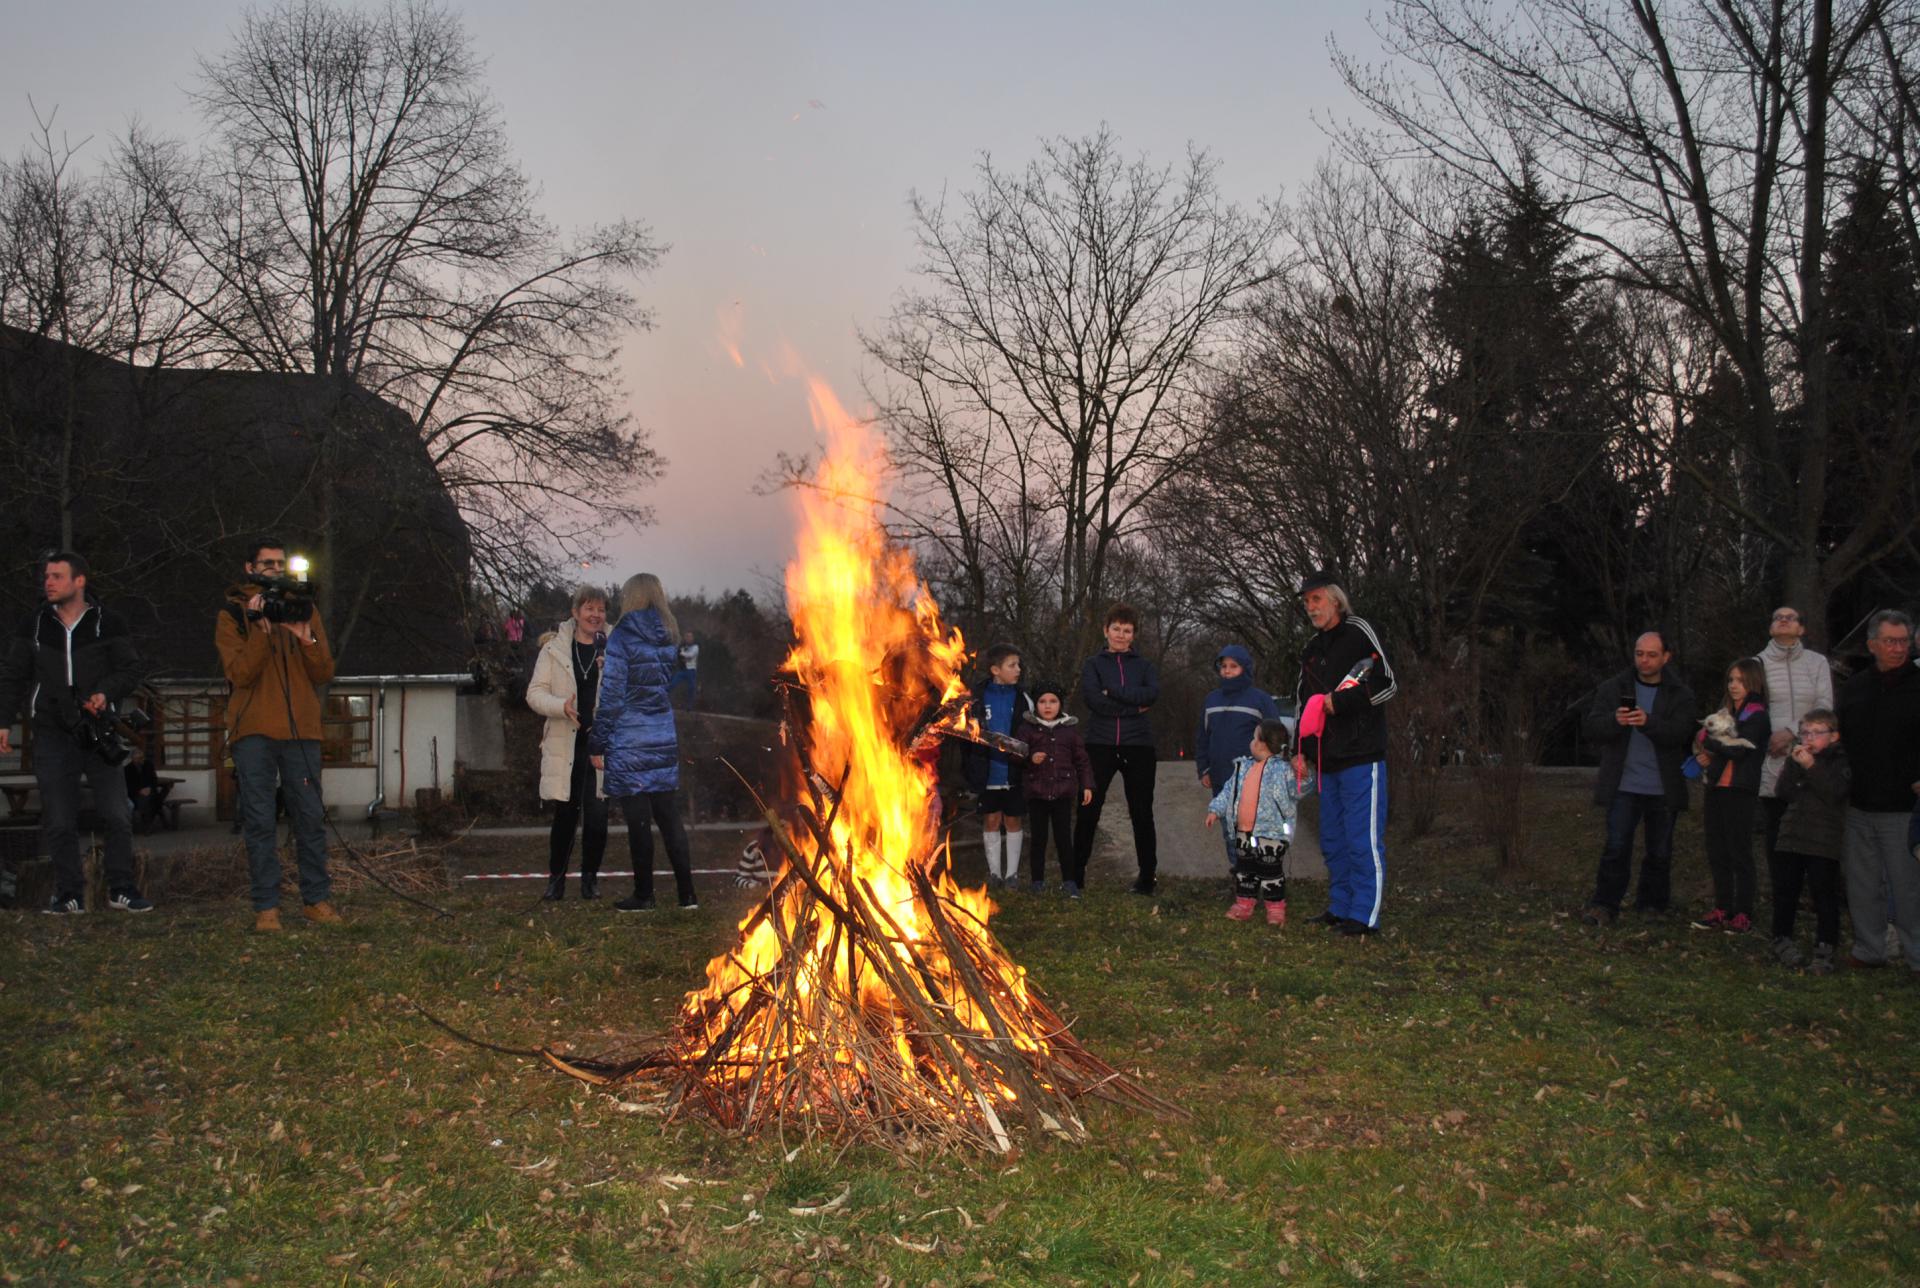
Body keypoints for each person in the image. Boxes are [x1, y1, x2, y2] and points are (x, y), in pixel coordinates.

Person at [0, 551, 151, 914]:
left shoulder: (107, 622)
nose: (48, 582)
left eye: (57, 576)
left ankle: (121, 888)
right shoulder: (34, 624)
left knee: (117, 814)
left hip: (98, 731)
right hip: (52, 732)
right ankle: (69, 894)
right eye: (46, 576)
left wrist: (104, 693)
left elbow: (130, 669)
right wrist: (3, 721)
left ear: (79, 580)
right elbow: (13, 676)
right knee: (59, 818)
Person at [218, 538, 338, 931]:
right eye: (267, 563)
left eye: (280, 563)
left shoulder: (302, 606)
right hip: (253, 730)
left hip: (301, 730)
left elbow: (323, 672)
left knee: (310, 818)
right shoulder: (232, 613)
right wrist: (260, 631)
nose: (275, 569)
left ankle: (316, 900)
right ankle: (266, 907)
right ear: (250, 568)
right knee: (259, 820)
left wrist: (305, 637)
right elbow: (240, 674)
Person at [1291, 571, 1397, 936]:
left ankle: (1364, 916)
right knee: (1333, 840)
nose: (1311, 607)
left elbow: (1387, 684)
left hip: (1361, 755)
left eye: (1316, 599)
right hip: (1325, 760)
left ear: (1335, 600)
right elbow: (1302, 704)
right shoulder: (1311, 649)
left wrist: (1341, 702)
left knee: (1361, 840)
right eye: (1307, 601)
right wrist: (1299, 750)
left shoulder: (1359, 632)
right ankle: (1340, 907)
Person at [592, 573, 697, 911]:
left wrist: (597, 741)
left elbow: (612, 696)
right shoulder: (669, 635)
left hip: (630, 736)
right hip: (661, 731)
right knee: (669, 816)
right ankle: (687, 895)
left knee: (638, 819)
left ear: (631, 597)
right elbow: (658, 682)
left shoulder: (622, 635)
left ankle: (644, 894)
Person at [1580, 631, 1696, 926]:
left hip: (1663, 787)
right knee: (1616, 848)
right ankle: (1605, 905)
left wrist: (1648, 722)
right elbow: (1591, 728)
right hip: (1623, 785)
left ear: (1666, 657)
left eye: (1652, 655)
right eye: (1639, 653)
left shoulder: (1680, 694)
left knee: (1659, 852)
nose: (1644, 660)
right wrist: (1614, 721)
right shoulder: (1613, 687)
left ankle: (1652, 905)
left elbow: (1681, 734)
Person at [1836, 610, 1920, 972]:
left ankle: (1917, 954)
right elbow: (1841, 740)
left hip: (1905, 806)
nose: (1898, 648)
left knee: (1908, 887)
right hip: (1859, 803)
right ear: (1872, 645)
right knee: (1862, 883)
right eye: (1890, 641)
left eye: (1903, 641)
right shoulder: (1855, 687)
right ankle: (1870, 949)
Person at [526, 586, 610, 900]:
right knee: (565, 816)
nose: (595, 615)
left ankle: (590, 880)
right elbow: (534, 694)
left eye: (600, 609)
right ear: (575, 613)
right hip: (565, 745)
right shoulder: (553, 650)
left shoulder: (614, 648)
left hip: (600, 746)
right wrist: (560, 706)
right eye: (589, 609)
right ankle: (556, 880)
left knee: (598, 818)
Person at [1075, 605, 1162, 895]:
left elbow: (1151, 694)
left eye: (1127, 630)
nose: (1121, 635)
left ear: (1134, 634)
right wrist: (1133, 707)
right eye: (1116, 629)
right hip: (1099, 744)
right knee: (1088, 809)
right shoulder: (1092, 664)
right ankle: (1075, 877)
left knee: (1141, 812)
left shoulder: (1145, 666)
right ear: (1106, 630)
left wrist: (1112, 690)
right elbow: (1094, 701)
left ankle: (1147, 879)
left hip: (1139, 746)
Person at [1756, 606, 1833, 901]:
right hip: (1772, 757)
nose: (1784, 620)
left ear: (1802, 629)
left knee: (1812, 825)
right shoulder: (1757, 664)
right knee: (1777, 827)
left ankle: (1816, 894)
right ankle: (1783, 895)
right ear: (1770, 627)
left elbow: (1824, 705)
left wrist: (1791, 731)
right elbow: (1750, 708)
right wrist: (1768, 738)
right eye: (1778, 617)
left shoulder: (1817, 662)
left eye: (1791, 617)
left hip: (1812, 755)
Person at [1690, 659, 1771, 933]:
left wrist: (1709, 740)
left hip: (1740, 790)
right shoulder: (1728, 712)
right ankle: (1722, 907)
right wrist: (1709, 751)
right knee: (1717, 849)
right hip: (1717, 787)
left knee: (1740, 852)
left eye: (1741, 680)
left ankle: (1743, 912)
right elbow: (1714, 742)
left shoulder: (1757, 716)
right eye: (1731, 680)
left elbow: (1737, 750)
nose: (1734, 685)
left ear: (1754, 682)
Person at [1768, 708, 1848, 973]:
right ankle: (1781, 938)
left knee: (1823, 894)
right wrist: (1796, 768)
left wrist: (1812, 767)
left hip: (1823, 839)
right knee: (1785, 890)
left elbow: (1835, 793)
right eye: (1805, 733)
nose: (1810, 738)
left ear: (1833, 736)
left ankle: (1826, 946)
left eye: (1817, 733)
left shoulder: (1839, 761)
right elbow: (1783, 792)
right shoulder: (1796, 759)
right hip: (1791, 835)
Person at [1195, 644, 1284, 874]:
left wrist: (1273, 770)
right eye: (1223, 666)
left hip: (1253, 779)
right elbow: (1203, 737)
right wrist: (1204, 769)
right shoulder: (1211, 700)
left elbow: (1275, 736)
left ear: (1245, 668)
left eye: (1233, 666)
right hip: (1221, 776)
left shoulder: (1260, 700)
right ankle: (1240, 873)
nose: (1227, 670)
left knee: (1254, 829)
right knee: (1230, 830)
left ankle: (1263, 872)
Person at [1206, 718, 1303, 926]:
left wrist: (1303, 775)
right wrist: (1215, 810)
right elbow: (1228, 791)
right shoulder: (1243, 767)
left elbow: (1298, 791)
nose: (1251, 742)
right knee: (1245, 870)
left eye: (1254, 737)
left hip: (1271, 834)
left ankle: (1275, 908)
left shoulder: (1282, 770)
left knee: (1271, 872)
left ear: (1262, 744)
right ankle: (1244, 903)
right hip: (1244, 832)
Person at [964, 644, 1032, 887]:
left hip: (1013, 773)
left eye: (1019, 665)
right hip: (987, 773)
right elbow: (965, 736)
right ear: (995, 670)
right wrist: (972, 769)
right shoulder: (976, 697)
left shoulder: (1023, 698)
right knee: (991, 820)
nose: (1018, 669)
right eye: (1012, 665)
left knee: (1013, 820)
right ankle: (994, 874)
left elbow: (1031, 734)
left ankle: (1012, 875)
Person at [1019, 680, 1092, 895]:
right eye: (1042, 701)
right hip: (1037, 793)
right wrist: (1030, 758)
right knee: (1038, 839)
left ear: (1060, 704)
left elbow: (1082, 760)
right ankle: (1037, 881)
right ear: (1036, 705)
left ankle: (1069, 881)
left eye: (1053, 701)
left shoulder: (1069, 731)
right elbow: (1015, 756)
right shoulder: (1027, 729)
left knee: (1064, 839)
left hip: (1063, 793)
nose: (1048, 706)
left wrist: (1087, 785)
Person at [124, 740, 166, 834]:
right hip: (135, 793)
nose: (140, 760)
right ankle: (147, 824)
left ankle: (148, 824)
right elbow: (128, 785)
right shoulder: (127, 769)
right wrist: (139, 790)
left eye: (141, 758)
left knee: (152, 800)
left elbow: (154, 780)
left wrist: (149, 788)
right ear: (132, 758)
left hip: (150, 792)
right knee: (143, 800)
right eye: (137, 758)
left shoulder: (148, 765)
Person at [669, 628, 700, 708]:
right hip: (682, 670)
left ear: (693, 638)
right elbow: (678, 656)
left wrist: (682, 654)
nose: (688, 638)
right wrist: (682, 655)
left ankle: (689, 706)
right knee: (672, 684)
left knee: (691, 688)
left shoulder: (695, 647)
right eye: (687, 636)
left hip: (691, 670)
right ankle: (665, 701)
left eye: (690, 636)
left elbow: (690, 655)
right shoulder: (682, 647)